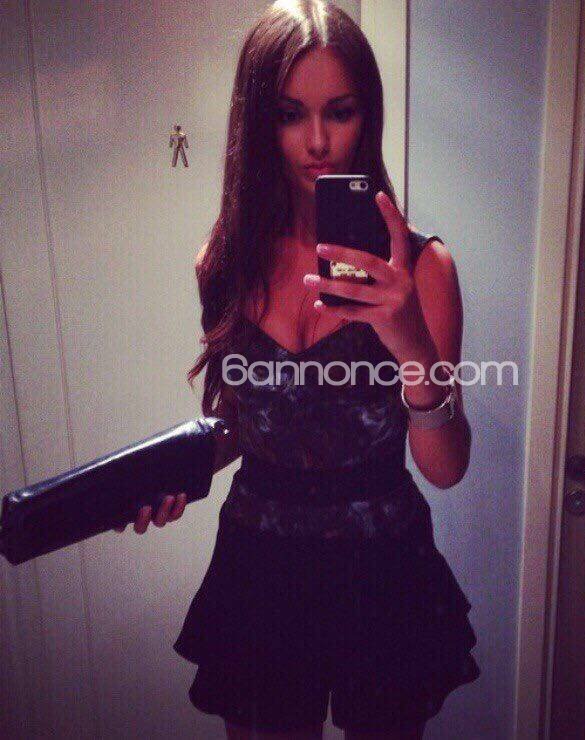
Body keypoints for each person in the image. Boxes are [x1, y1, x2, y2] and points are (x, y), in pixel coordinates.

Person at [116, 1, 480, 737]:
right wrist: (176, 471)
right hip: (260, 563)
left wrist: (410, 342)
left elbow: (445, 468)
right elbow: (241, 424)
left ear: (367, 115)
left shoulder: (423, 268)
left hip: (383, 567)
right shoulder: (225, 261)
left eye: (339, 112)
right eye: (289, 115)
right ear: (259, 122)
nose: (317, 141)